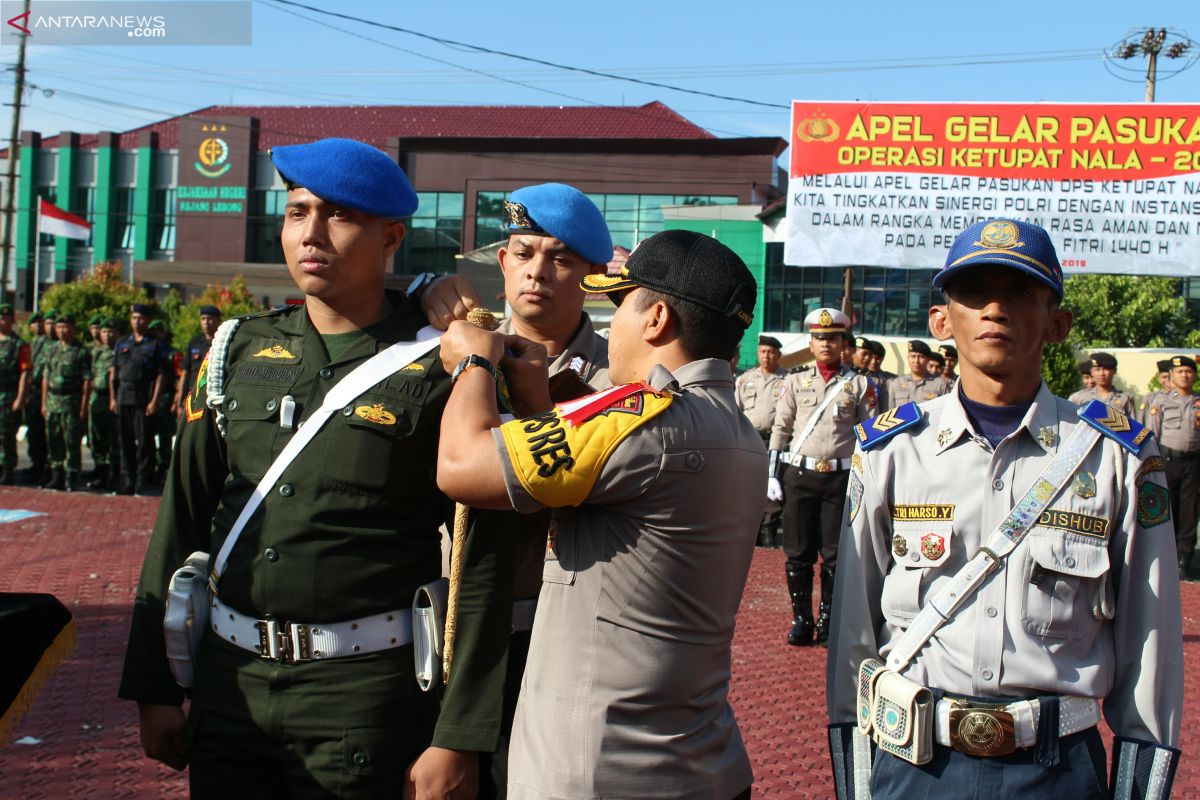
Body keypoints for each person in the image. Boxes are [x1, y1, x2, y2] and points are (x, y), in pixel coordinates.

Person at [119, 137, 504, 800]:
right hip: (230, 688)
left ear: (392, 237)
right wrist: (154, 687)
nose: (312, 233)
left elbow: (482, 561)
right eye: (298, 212)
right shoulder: (235, 350)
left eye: (339, 216)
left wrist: (459, 733)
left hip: (363, 701)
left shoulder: (439, 364)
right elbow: (180, 520)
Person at [827, 218, 1182, 800]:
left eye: (1019, 292)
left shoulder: (1117, 457)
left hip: (1059, 772)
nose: (994, 309)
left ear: (1057, 324)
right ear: (941, 320)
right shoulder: (891, 451)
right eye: (973, 293)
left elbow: (1152, 646)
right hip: (914, 767)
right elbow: (853, 639)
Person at [436, 228, 761, 800]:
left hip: (601, 769)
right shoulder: (732, 426)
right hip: (697, 759)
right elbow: (588, 500)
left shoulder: (640, 418)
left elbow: (462, 466)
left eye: (621, 308)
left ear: (656, 318)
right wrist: (539, 404)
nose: (611, 332)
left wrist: (472, 366)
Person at [769, 308, 875, 647]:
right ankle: (801, 619)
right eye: (818, 338)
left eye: (832, 338)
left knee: (834, 554)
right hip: (800, 475)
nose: (825, 344)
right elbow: (780, 429)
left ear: (844, 343)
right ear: (811, 343)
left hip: (840, 480)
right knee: (798, 552)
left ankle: (828, 619)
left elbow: (870, 434)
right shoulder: (795, 381)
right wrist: (771, 475)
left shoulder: (859, 384)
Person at [1139, 354, 1200, 578]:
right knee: (1165, 508)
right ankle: (1164, 556)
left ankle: (1184, 558)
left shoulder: (1198, 401)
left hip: (1193, 462)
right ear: (1171, 376)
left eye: (1188, 371)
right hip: (1167, 460)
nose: (1185, 375)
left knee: (1189, 511)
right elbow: (1151, 435)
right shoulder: (1161, 402)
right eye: (1180, 371)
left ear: (1194, 375)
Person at [109, 304, 167, 496]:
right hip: (124, 396)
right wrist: (113, 397)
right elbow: (114, 371)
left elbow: (161, 375)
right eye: (134, 317)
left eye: (141, 318)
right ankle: (127, 480)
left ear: (148, 321)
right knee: (124, 441)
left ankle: (142, 481)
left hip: (143, 398)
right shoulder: (123, 342)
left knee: (144, 442)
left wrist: (154, 400)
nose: (136, 321)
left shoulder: (155, 344)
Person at [736, 334, 788, 547]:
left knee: (772, 489)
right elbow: (735, 411)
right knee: (747, 487)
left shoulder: (787, 380)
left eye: (771, 352)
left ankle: (768, 532)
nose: (767, 356)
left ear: (779, 355)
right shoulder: (745, 379)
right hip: (750, 439)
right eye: (763, 352)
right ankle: (750, 532)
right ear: (758, 354)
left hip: (775, 442)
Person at [41, 313, 92, 492]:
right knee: (53, 438)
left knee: (71, 439)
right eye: (59, 327)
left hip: (71, 400)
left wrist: (84, 406)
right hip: (53, 400)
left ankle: (72, 476)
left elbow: (87, 381)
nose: (62, 331)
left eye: (66, 327)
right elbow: (46, 377)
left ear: (73, 329)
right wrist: (43, 403)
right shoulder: (51, 349)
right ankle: (57, 475)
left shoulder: (81, 351)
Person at [22, 310, 54, 484]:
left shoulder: (53, 344)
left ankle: (48, 469)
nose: (40, 326)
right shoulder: (31, 344)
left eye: (44, 323)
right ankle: (36, 464)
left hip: (47, 393)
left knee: (46, 433)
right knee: (33, 431)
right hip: (32, 391)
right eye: (36, 323)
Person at [87, 318, 119, 491]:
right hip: (96, 398)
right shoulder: (96, 352)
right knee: (96, 438)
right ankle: (101, 472)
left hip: (112, 399)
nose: (107, 335)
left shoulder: (120, 351)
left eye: (111, 332)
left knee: (113, 439)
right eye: (105, 331)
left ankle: (113, 476)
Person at [0, 304, 30, 485]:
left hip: (8, 396)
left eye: (5, 318)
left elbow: (25, 373)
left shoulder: (19, 344)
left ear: (12, 320)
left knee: (6, 435)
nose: (2, 321)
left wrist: (20, 398)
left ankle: (8, 468)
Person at [147, 319, 180, 484]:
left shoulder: (172, 353)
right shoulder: (148, 351)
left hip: (166, 396)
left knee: (165, 434)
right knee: (146, 434)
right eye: (153, 334)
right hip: (147, 397)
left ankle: (163, 465)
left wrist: (176, 399)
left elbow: (179, 376)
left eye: (159, 333)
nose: (156, 337)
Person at [175, 305, 222, 416]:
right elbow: (185, 372)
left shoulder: (222, 342)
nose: (206, 322)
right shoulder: (194, 342)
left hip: (214, 395)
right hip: (194, 395)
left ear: (218, 320)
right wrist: (180, 402)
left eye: (209, 318)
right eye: (203, 319)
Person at [1068, 352, 1135, 417]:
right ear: (1092, 372)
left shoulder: (1125, 398)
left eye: (1106, 369)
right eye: (1097, 369)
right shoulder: (1079, 398)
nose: (1102, 374)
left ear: (1114, 371)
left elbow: (1133, 426)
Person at [887, 339, 950, 406]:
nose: (916, 361)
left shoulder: (940, 385)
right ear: (908, 358)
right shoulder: (896, 384)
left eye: (921, 357)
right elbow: (889, 412)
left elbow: (946, 411)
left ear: (928, 360)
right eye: (913, 356)